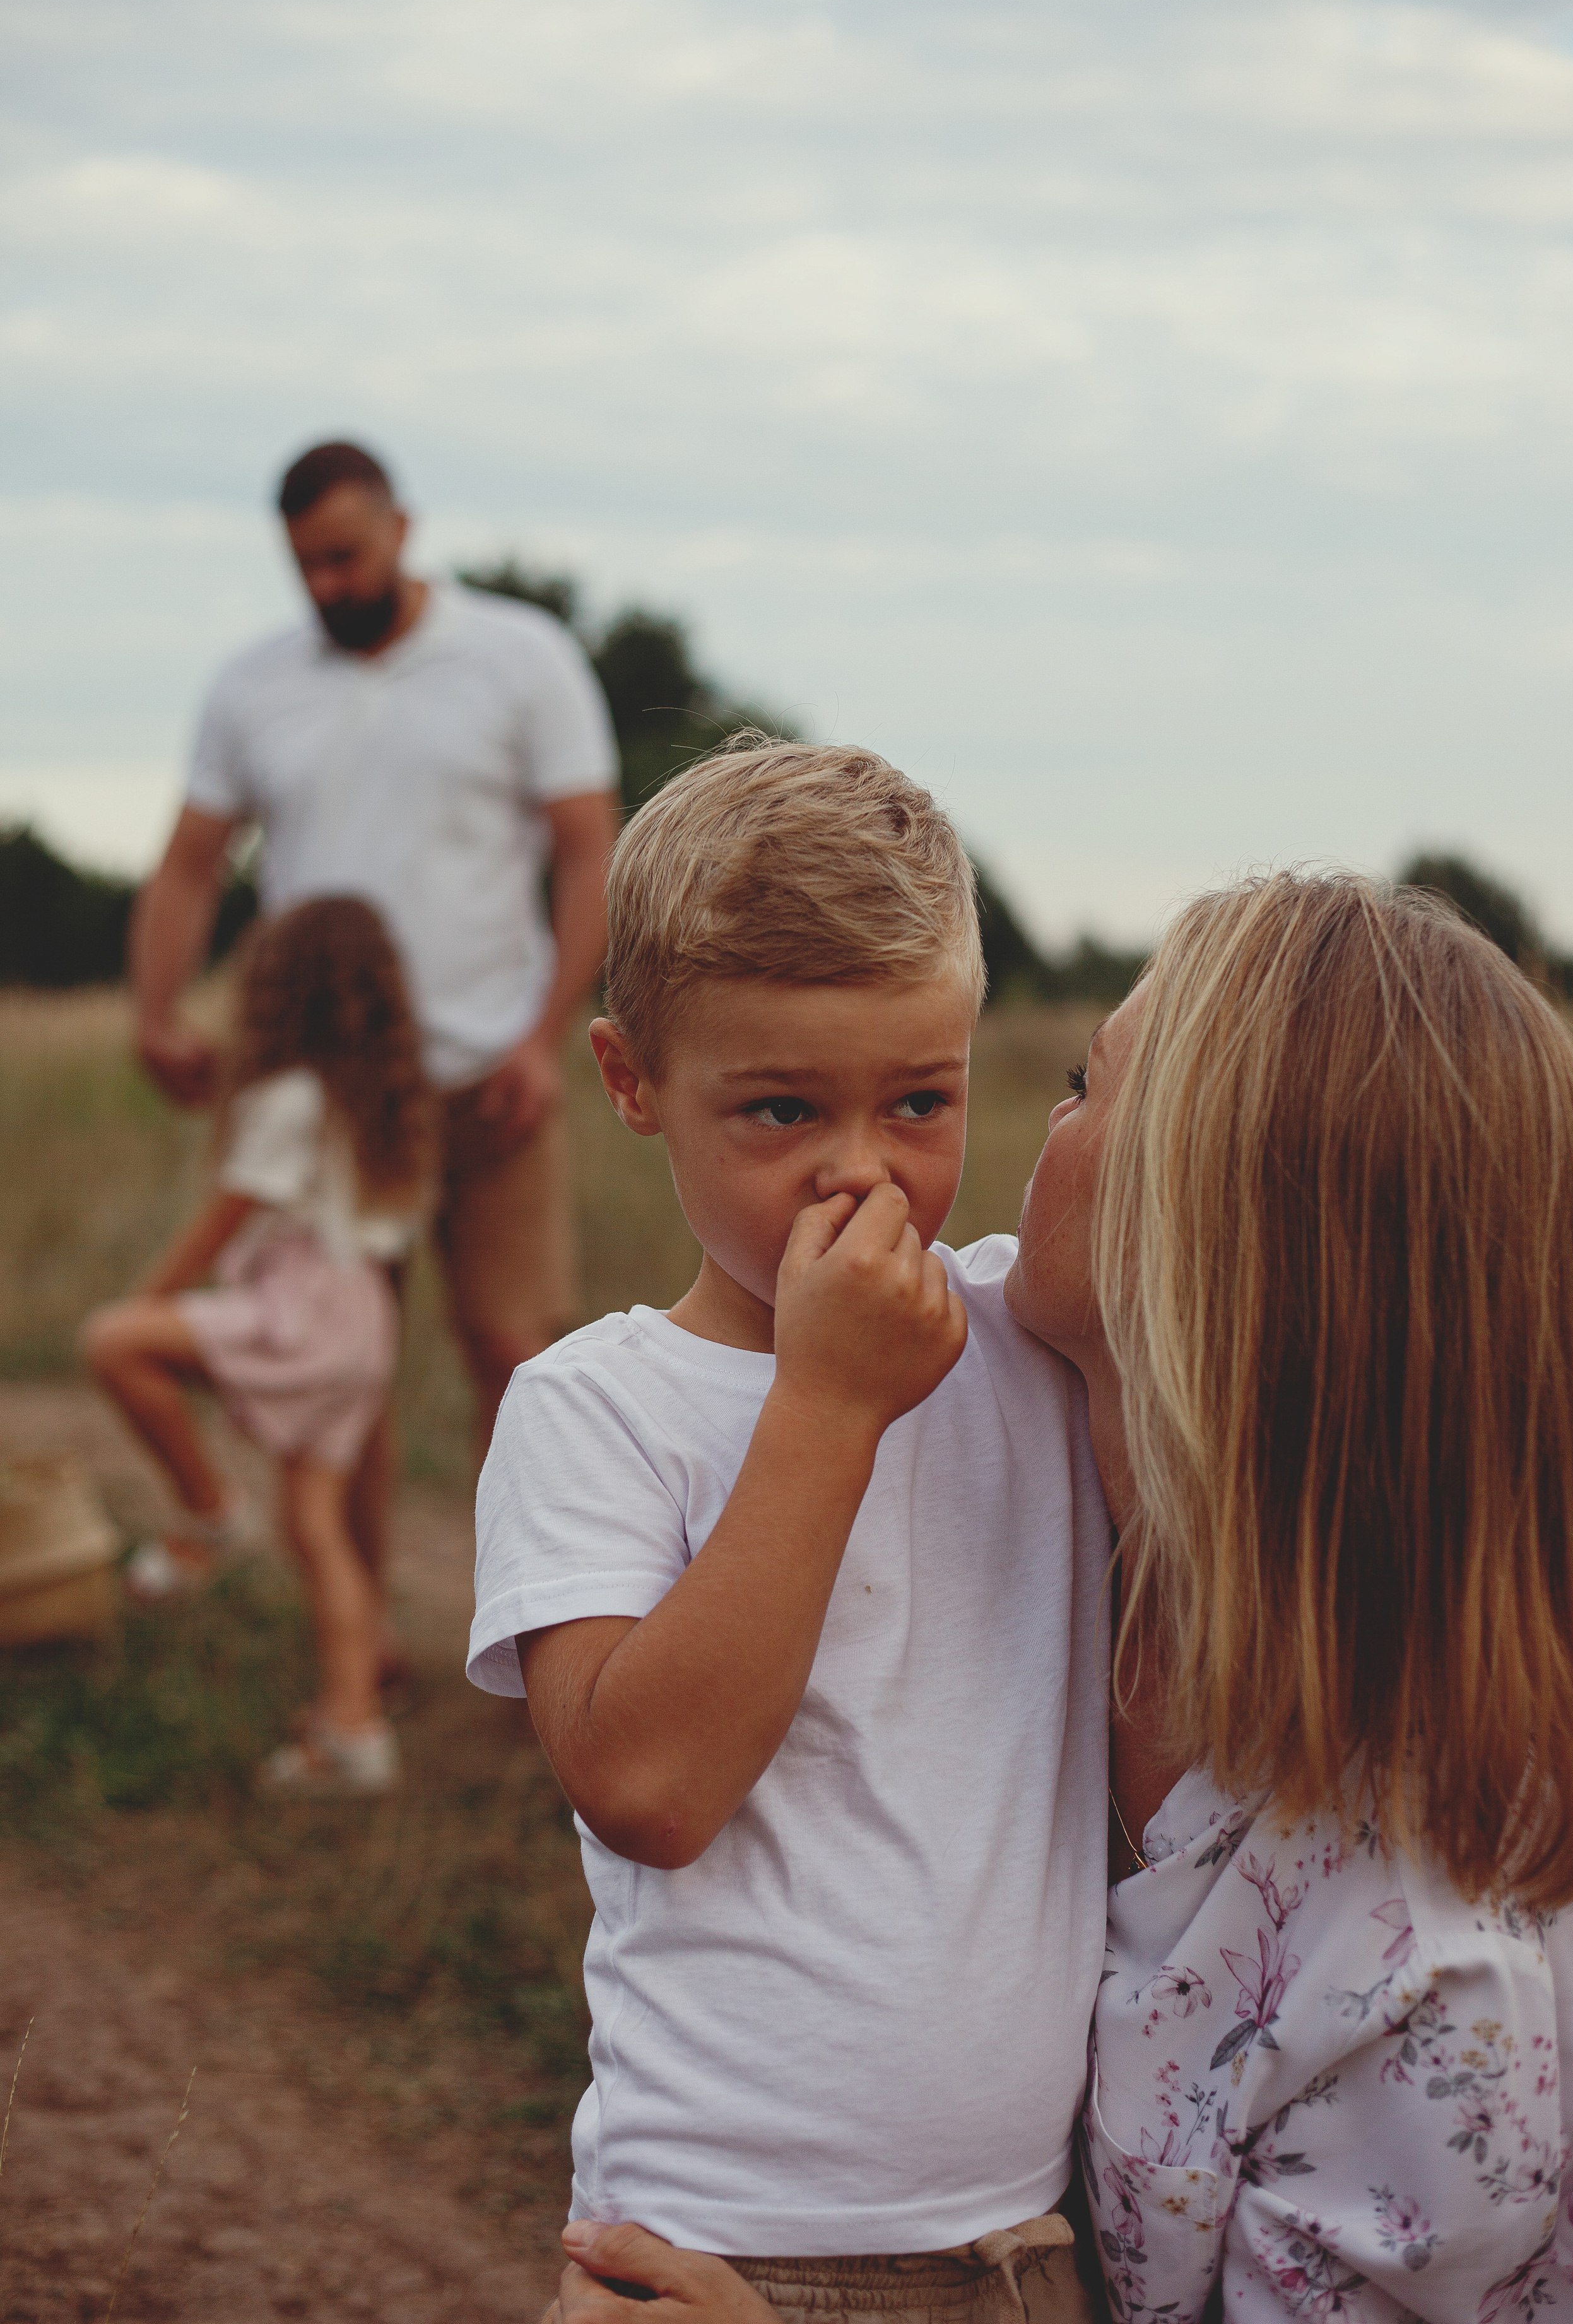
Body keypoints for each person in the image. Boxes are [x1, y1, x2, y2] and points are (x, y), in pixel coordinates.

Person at [546, 870, 1573, 2324]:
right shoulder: (1046, 1517)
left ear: (1201, 1229)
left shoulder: (1421, 1982)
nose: (894, 1174)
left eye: (1077, 1089)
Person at [468, 739, 1114, 2324]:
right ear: (630, 1084)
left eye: (918, 1100)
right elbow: (648, 1788)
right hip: (718, 2243)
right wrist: (825, 1408)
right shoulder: (592, 1407)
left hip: (1035, 2245)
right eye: (777, 1109)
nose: (860, 1170)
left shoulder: (1025, 1340)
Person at [131, 436, 620, 1615]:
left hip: (488, 1079)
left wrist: (541, 1039)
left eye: (346, 556)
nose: (329, 586)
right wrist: (157, 1010)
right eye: (306, 566)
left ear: (403, 528)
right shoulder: (254, 686)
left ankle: (550, 1625)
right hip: (331, 1104)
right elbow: (194, 865)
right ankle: (372, 1647)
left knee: (517, 1353)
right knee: (339, 1386)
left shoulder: (521, 658)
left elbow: (588, 851)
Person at [83, 897, 438, 1794]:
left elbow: (219, 1223)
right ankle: (355, 1731)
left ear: (281, 987)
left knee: (114, 1343)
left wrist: (149, 1303)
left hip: (308, 1306)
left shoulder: (290, 1097)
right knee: (317, 1528)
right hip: (364, 1318)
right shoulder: (385, 1101)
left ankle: (206, 1510)